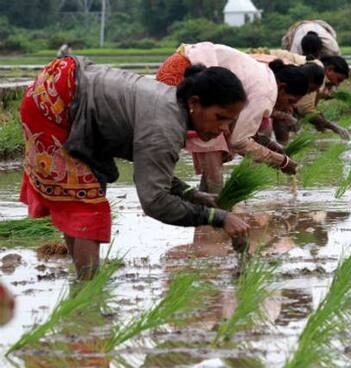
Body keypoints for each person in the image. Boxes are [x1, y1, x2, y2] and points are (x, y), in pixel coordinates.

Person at [19, 56, 251, 279]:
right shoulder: (164, 125)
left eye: (230, 121)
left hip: (67, 85)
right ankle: (87, 286)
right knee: (86, 203)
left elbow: (150, 166)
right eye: (219, 117)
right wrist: (218, 218)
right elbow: (155, 202)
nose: (224, 128)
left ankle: (85, 278)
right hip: (56, 101)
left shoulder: (171, 107)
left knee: (84, 195)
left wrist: (191, 194)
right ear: (194, 103)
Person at [156, 43, 310, 193]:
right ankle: (212, 207)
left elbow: (239, 130)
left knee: (216, 137)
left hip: (179, 66)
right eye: (290, 100)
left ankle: (207, 204)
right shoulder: (265, 93)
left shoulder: (266, 76)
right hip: (183, 75)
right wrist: (282, 162)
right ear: (282, 87)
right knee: (213, 141)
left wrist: (269, 144)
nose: (289, 108)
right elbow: (239, 141)